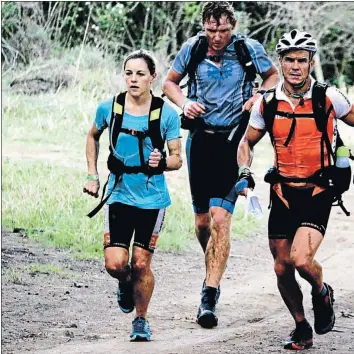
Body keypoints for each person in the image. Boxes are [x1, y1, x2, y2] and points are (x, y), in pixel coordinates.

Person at [236, 29, 354, 350]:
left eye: (302, 60)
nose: (295, 67)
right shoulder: (267, 103)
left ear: (311, 62)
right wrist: (245, 170)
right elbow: (247, 142)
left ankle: (321, 291)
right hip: (283, 192)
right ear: (279, 63)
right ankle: (301, 327)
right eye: (288, 61)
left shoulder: (329, 96)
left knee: (301, 259)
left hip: (318, 191)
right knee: (281, 267)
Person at [162, 2, 279, 329]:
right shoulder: (193, 47)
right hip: (200, 140)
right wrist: (185, 103)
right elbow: (169, 83)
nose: (216, 37)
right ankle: (213, 265)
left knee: (220, 220)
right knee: (202, 223)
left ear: (234, 25)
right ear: (204, 27)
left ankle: (209, 294)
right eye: (211, 30)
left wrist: (259, 97)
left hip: (235, 141)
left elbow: (272, 76)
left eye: (222, 31)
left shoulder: (247, 48)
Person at [83, 50, 182, 341]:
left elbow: (177, 158)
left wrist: (162, 161)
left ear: (153, 77)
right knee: (115, 264)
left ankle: (141, 320)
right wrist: (92, 174)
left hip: (152, 200)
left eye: (140, 74)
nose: (133, 79)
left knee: (141, 262)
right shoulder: (109, 108)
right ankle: (125, 283)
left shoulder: (166, 114)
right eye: (129, 73)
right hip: (118, 194)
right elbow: (92, 136)